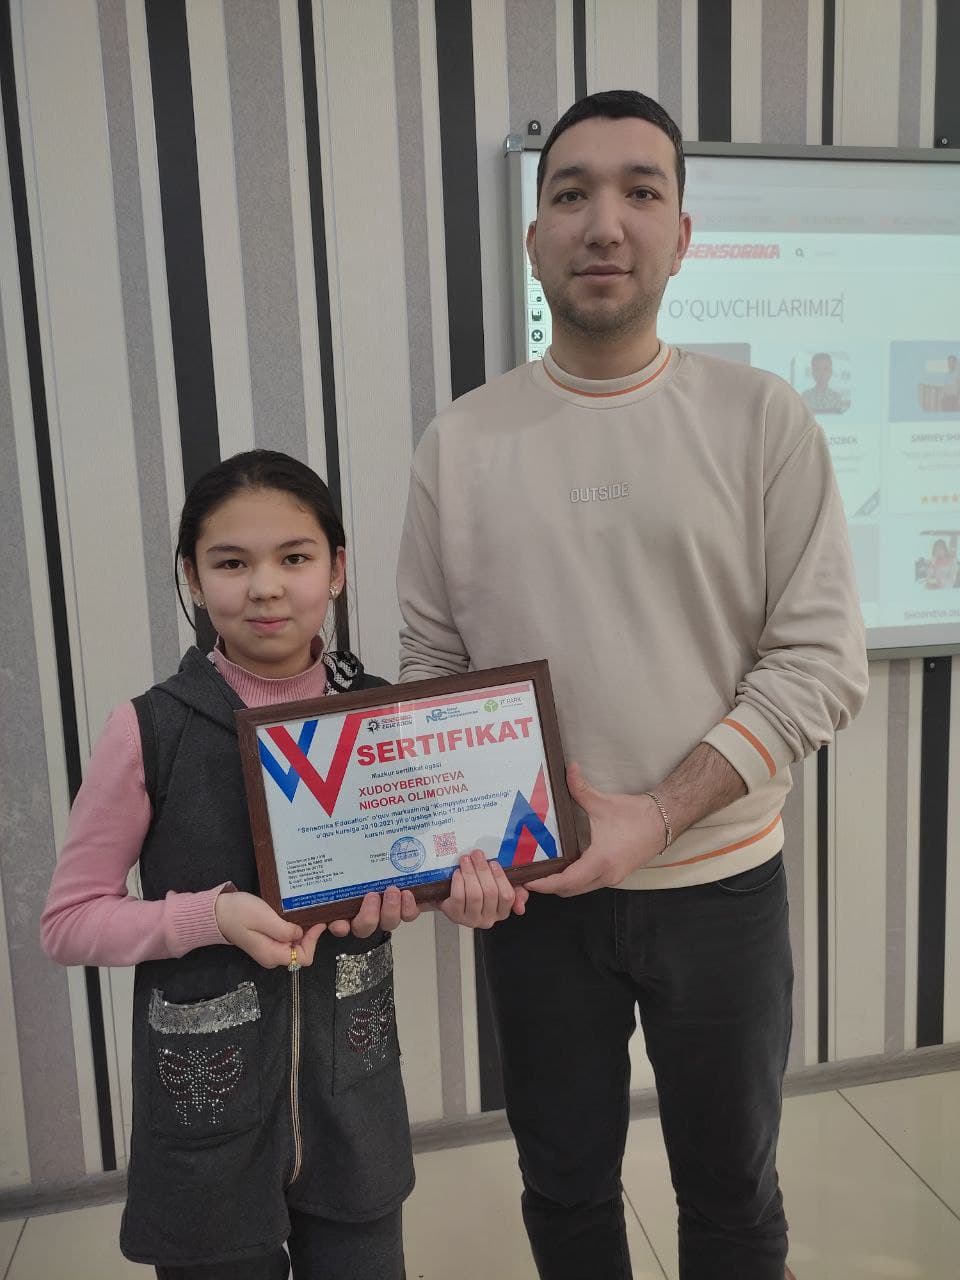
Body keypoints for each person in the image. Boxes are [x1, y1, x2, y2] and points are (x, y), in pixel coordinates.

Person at [396, 90, 868, 1280]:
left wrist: (656, 813)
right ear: (533, 237)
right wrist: (456, 842)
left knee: (731, 1191)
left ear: (682, 234)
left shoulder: (763, 419)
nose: (604, 222)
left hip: (721, 887)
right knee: (561, 1185)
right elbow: (433, 671)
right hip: (537, 901)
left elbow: (820, 660)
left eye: (640, 191)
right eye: (571, 193)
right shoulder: (460, 442)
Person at [41, 449, 522, 1279]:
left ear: (337, 570)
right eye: (231, 563)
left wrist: (460, 895)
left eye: (294, 558)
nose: (265, 587)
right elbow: (69, 922)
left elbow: (423, 863)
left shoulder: (386, 716)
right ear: (193, 578)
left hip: (353, 1104)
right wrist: (208, 917)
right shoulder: (150, 730)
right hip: (207, 1115)